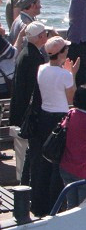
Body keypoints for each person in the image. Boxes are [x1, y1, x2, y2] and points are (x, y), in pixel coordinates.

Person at [35, 36, 78, 215]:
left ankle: (40, 204)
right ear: (62, 53)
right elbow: (72, 99)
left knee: (44, 160)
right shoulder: (65, 75)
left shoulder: (41, 69)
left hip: (44, 118)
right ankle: (55, 204)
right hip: (60, 119)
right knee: (58, 163)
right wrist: (72, 74)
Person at [9, 21, 47, 184]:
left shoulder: (25, 53)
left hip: (18, 108)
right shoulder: (34, 57)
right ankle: (28, 183)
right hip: (26, 113)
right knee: (29, 152)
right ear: (40, 37)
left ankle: (24, 181)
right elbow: (33, 88)